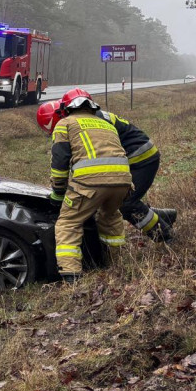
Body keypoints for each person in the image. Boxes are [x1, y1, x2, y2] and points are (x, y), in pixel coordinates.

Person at [37, 92, 175, 241]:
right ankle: (166, 216)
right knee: (112, 198)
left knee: (126, 204)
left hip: (140, 158)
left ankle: (165, 236)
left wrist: (62, 191)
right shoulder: (88, 115)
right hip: (132, 157)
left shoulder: (87, 120)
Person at [46, 88, 133, 283]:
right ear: (91, 107)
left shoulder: (64, 124)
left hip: (89, 184)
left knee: (68, 223)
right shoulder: (106, 124)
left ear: (66, 109)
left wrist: (58, 193)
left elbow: (60, 164)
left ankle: (71, 276)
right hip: (123, 182)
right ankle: (116, 263)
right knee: (110, 217)